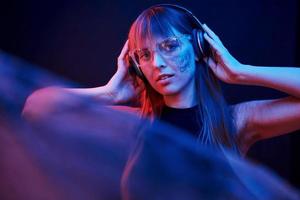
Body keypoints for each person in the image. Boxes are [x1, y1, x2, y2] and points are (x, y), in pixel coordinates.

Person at [22, 4, 300, 156]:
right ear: (136, 65)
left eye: (169, 46)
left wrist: (241, 72)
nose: (156, 63)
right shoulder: (136, 124)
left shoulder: (235, 123)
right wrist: (108, 94)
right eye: (144, 54)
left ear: (199, 47)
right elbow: (36, 108)